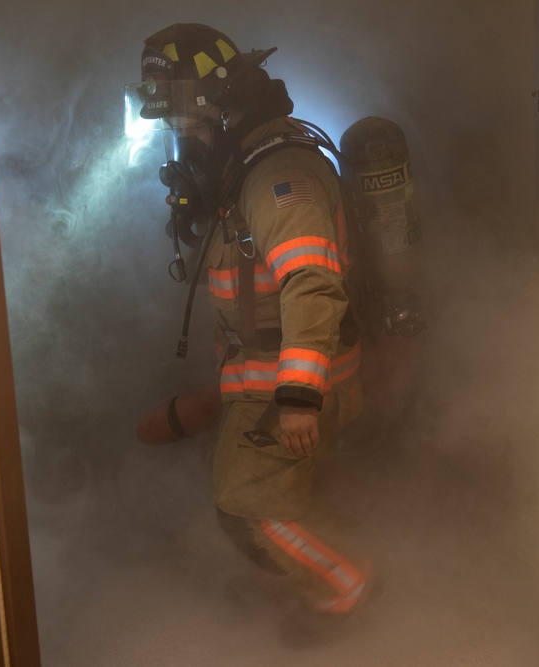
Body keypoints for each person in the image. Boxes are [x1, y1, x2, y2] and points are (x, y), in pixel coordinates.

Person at [132, 23, 374, 640]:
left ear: (220, 102)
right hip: (268, 382)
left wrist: (298, 398)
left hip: (284, 388)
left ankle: (347, 586)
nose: (181, 136)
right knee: (285, 500)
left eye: (187, 121)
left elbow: (311, 283)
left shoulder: (276, 178)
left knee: (247, 512)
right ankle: (298, 578)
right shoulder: (245, 165)